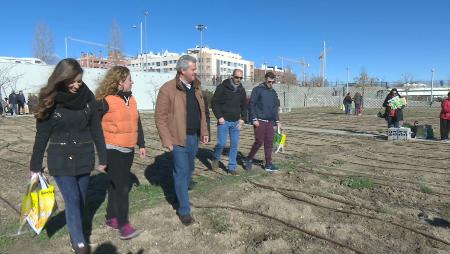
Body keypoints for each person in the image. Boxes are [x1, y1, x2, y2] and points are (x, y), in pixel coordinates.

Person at [29, 59, 107, 254]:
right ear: (61, 78)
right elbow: (42, 135)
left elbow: (96, 128)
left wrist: (103, 156)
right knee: (72, 199)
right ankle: (79, 242)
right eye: (72, 81)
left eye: (79, 81)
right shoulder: (50, 99)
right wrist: (35, 164)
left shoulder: (87, 97)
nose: (76, 85)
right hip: (60, 157)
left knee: (80, 200)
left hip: (84, 155)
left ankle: (75, 231)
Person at [155, 55, 209, 226]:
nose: (196, 71)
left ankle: (181, 195)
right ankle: (184, 209)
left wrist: (205, 131)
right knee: (181, 172)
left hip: (194, 137)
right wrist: (166, 139)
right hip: (178, 138)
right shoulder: (168, 89)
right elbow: (160, 117)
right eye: (193, 69)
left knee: (190, 169)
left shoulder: (197, 87)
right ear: (182, 70)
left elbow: (202, 112)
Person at [95, 66, 146, 240]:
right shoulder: (105, 101)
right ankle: (124, 225)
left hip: (128, 149)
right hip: (112, 149)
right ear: (120, 82)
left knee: (114, 185)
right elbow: (93, 123)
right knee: (123, 186)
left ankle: (111, 218)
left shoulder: (132, 99)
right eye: (129, 79)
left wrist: (141, 143)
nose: (132, 82)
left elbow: (137, 122)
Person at [243, 72, 281, 172]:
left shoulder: (273, 93)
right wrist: (254, 118)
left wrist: (277, 120)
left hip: (269, 122)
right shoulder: (257, 90)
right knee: (259, 141)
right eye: (269, 81)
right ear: (265, 79)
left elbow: (275, 108)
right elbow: (252, 104)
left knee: (269, 143)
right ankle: (249, 159)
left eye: (273, 82)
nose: (271, 84)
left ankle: (268, 164)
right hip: (259, 121)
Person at [211, 69, 247, 175]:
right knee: (221, 143)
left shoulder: (242, 90)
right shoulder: (222, 87)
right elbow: (214, 103)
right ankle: (216, 158)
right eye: (237, 77)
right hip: (224, 121)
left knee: (234, 145)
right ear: (232, 76)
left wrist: (243, 119)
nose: (238, 80)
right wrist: (219, 117)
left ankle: (232, 167)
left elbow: (244, 106)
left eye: (241, 78)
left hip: (236, 122)